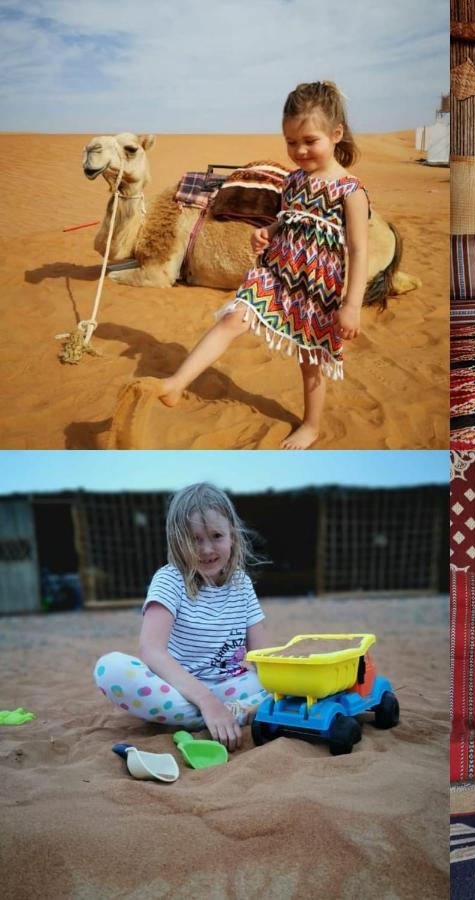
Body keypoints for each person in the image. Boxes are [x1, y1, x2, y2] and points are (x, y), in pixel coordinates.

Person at [159, 81, 369, 449]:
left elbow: (358, 249)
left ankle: (311, 425)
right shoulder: (293, 181)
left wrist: (351, 305)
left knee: (310, 360)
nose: (299, 150)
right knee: (232, 319)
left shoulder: (351, 191)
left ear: (336, 134)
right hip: (276, 273)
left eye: (309, 140)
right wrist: (270, 231)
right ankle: (177, 383)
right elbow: (290, 218)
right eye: (291, 142)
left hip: (316, 289)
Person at [93, 483, 271, 750]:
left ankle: (209, 716)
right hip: (180, 690)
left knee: (279, 681)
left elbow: (264, 655)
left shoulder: (241, 584)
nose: (207, 549)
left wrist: (281, 678)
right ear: (177, 540)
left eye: (216, 536)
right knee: (110, 669)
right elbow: (152, 652)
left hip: (230, 686)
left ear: (232, 535)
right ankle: (223, 713)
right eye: (195, 539)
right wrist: (207, 701)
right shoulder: (169, 580)